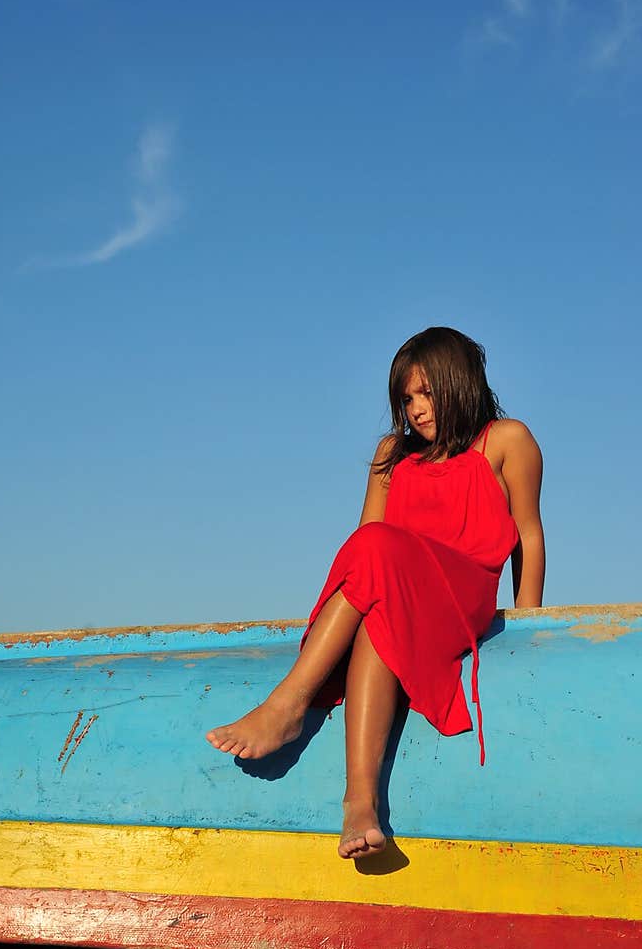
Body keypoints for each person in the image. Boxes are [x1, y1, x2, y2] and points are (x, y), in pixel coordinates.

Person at [205, 326, 545, 861]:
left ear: (460, 383)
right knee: (376, 597)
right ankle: (359, 804)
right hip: (398, 593)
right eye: (407, 399)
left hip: (462, 596)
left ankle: (288, 704)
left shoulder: (506, 440)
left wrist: (530, 622)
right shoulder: (393, 455)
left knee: (378, 553)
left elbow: (527, 532)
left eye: (427, 392)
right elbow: (365, 549)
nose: (416, 410)